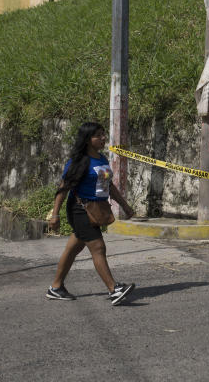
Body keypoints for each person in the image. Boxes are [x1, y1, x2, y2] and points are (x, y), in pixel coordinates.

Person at [45, 122, 136, 305]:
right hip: (80, 209)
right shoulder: (78, 161)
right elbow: (63, 189)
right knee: (98, 247)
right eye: (98, 136)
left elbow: (108, 186)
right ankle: (113, 289)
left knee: (73, 248)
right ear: (87, 139)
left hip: (95, 210)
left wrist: (125, 206)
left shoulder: (102, 159)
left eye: (103, 134)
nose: (103, 138)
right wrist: (55, 214)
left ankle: (56, 287)